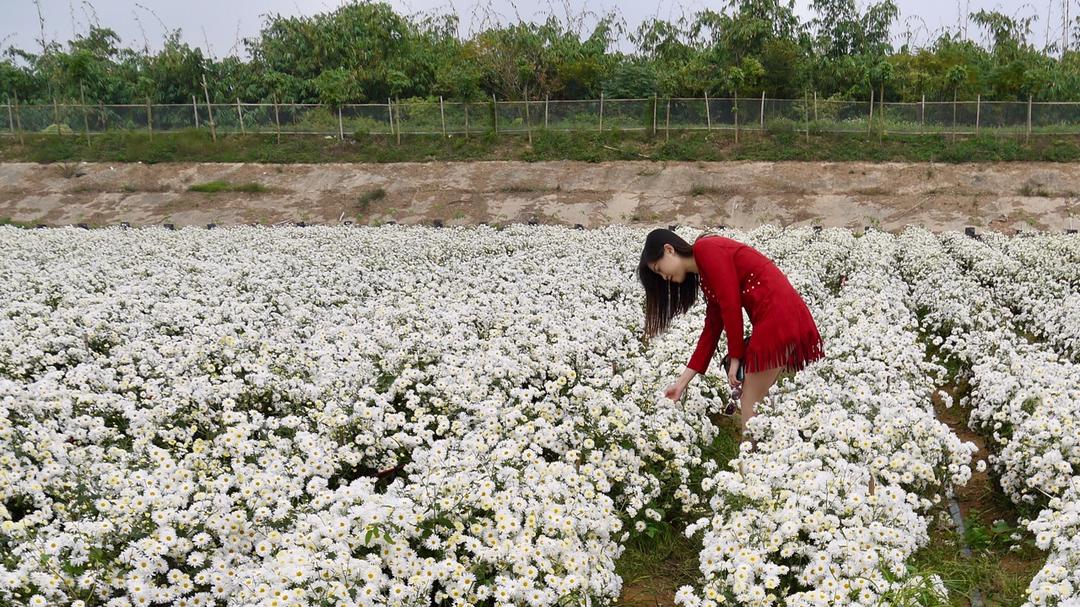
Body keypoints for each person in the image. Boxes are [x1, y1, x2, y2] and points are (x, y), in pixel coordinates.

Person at [637, 228, 825, 442]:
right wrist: (681, 384)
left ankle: (749, 466)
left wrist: (735, 356)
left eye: (659, 269)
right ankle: (773, 454)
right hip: (779, 316)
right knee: (757, 399)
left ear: (669, 250)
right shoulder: (706, 275)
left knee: (750, 401)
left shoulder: (706, 249)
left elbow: (730, 304)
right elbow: (712, 329)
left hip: (777, 318)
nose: (664, 277)